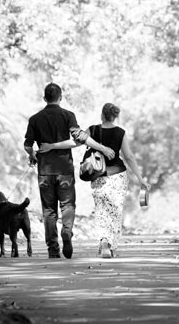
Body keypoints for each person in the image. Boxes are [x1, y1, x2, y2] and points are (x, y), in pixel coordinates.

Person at [24, 83, 115, 259]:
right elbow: (80, 138)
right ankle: (67, 230)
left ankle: (53, 249)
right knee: (68, 205)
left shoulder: (35, 119)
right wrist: (103, 148)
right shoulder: (68, 115)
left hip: (45, 172)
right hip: (64, 169)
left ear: (44, 98)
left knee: (49, 210)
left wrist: (33, 155)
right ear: (60, 97)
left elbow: (27, 145)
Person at [87, 103, 149, 258]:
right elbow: (128, 157)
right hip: (117, 176)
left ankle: (103, 239)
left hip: (97, 175)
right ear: (115, 117)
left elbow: (78, 140)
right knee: (115, 210)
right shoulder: (120, 132)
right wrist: (140, 178)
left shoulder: (92, 130)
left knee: (101, 209)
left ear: (102, 115)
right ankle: (111, 245)